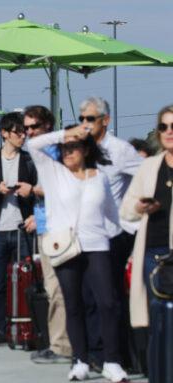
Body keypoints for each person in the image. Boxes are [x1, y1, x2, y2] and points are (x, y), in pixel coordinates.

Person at [28, 125, 128, 382]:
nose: (69, 152)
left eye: (74, 147)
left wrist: (124, 236)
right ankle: (80, 360)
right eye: (65, 149)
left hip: (97, 245)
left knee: (107, 302)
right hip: (66, 246)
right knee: (74, 304)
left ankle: (112, 361)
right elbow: (34, 144)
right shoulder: (54, 172)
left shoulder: (99, 177)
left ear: (85, 150)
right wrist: (66, 134)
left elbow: (112, 214)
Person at [80, 97, 144, 370]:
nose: (85, 124)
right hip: (82, 233)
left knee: (108, 298)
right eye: (82, 118)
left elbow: (146, 179)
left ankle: (114, 354)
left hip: (111, 236)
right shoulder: (80, 149)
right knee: (87, 296)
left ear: (105, 120)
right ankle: (95, 352)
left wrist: (132, 221)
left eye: (90, 119)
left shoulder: (120, 150)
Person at [121, 105, 173, 377]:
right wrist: (141, 206)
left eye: (172, 127)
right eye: (163, 127)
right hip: (153, 253)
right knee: (156, 322)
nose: (168, 132)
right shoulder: (149, 167)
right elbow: (126, 209)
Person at [0, 112, 37, 347]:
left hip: (23, 229)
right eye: (17, 132)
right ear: (4, 133)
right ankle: (1, 330)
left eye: (24, 132)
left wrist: (30, 192)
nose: (23, 136)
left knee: (27, 282)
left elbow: (40, 190)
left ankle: (26, 330)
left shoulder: (29, 160)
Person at [22, 105, 72, 364]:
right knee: (53, 287)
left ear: (48, 127)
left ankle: (61, 344)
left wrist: (34, 190)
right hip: (44, 224)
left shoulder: (56, 152)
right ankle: (58, 341)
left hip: (58, 229)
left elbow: (65, 190)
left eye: (34, 127)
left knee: (57, 288)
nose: (29, 132)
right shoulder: (44, 151)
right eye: (27, 128)